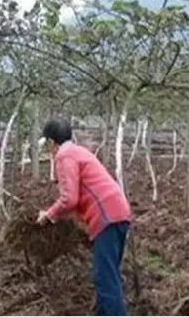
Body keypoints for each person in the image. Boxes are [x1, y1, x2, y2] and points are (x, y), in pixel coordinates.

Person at [36, 118, 132, 316]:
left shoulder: (64, 156)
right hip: (118, 212)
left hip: (106, 216)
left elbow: (69, 199)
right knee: (108, 276)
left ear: (52, 142)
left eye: (47, 144)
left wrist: (48, 215)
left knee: (105, 281)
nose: (48, 149)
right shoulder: (78, 151)